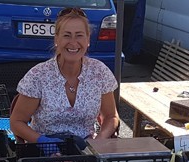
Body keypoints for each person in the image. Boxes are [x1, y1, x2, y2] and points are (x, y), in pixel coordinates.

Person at [10, 7, 119, 150]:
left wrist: (97, 142)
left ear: (88, 40)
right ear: (56, 39)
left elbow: (111, 116)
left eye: (79, 35)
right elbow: (17, 122)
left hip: (86, 151)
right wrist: (42, 141)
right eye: (67, 35)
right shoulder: (38, 76)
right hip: (44, 153)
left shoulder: (100, 72)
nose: (73, 42)